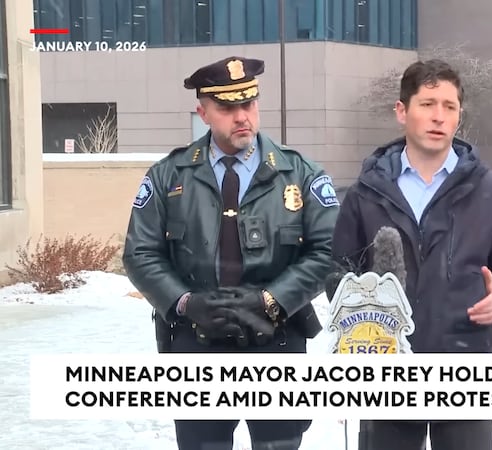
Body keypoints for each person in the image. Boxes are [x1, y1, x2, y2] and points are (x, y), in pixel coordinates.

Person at [122, 56, 339, 450]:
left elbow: (329, 252)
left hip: (278, 341)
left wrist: (272, 300)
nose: (242, 117)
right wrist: (185, 302)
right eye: (227, 107)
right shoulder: (168, 176)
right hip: (195, 344)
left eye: (249, 104)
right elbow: (140, 253)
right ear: (203, 112)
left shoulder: (301, 174)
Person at [328, 59, 492, 450]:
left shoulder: (490, 191)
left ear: (459, 115)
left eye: (449, 106)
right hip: (386, 369)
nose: (439, 116)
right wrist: (356, 309)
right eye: (427, 104)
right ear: (401, 111)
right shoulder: (366, 192)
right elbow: (338, 270)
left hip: (465, 366)